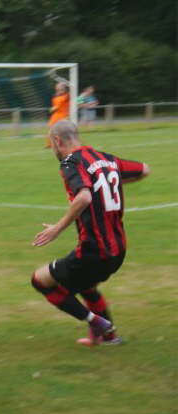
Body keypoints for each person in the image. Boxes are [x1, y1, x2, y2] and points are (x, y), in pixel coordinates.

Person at [31, 120, 149, 346]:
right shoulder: (107, 159)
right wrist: (109, 183)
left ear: (57, 141)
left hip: (94, 250)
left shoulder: (71, 162)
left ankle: (98, 323)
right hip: (118, 249)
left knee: (40, 281)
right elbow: (144, 169)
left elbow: (83, 197)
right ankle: (109, 337)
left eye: (51, 144)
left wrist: (57, 228)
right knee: (86, 286)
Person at [46, 82, 70, 148]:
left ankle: (65, 143)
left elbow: (58, 105)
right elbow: (55, 106)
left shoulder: (67, 96)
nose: (59, 90)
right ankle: (50, 144)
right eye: (58, 89)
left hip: (63, 115)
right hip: (56, 115)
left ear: (65, 89)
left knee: (62, 131)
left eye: (61, 89)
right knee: (51, 130)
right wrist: (53, 108)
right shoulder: (56, 96)